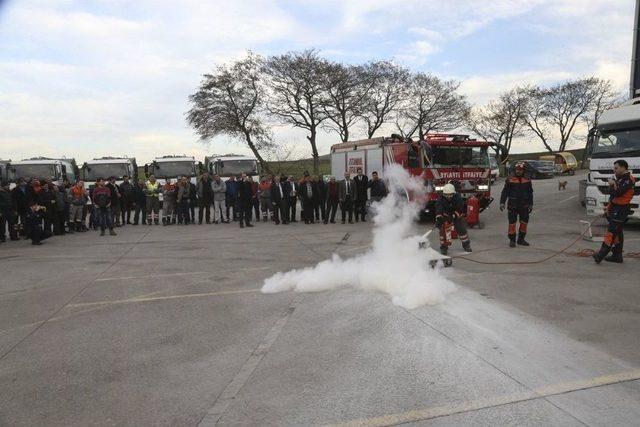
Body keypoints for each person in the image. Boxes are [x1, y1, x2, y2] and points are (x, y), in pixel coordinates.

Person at [593, 159, 636, 263]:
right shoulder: (620, 179)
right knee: (617, 232)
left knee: (611, 231)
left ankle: (601, 255)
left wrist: (612, 184)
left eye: (616, 168)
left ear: (623, 167)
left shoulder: (628, 179)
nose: (614, 170)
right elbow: (612, 194)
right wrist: (608, 207)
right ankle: (617, 255)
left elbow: (618, 193)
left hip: (621, 209)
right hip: (615, 207)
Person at [500, 161, 533, 247]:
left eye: (520, 170)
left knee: (524, 223)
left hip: (524, 206)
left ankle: (521, 240)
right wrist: (502, 203)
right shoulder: (510, 180)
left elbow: (530, 193)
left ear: (523, 170)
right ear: (514, 170)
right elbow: (505, 192)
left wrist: (531, 204)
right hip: (512, 206)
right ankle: (512, 240)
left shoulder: (527, 180)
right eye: (517, 170)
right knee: (512, 224)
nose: (518, 171)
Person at [435, 183, 472, 255]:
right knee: (442, 230)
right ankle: (444, 247)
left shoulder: (457, 197)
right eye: (447, 195)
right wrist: (439, 218)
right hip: (446, 215)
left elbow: (460, 209)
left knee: (461, 229)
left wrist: (454, 215)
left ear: (453, 193)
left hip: (456, 215)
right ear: (444, 194)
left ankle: (466, 245)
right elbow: (438, 209)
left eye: (450, 195)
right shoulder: (441, 198)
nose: (448, 197)